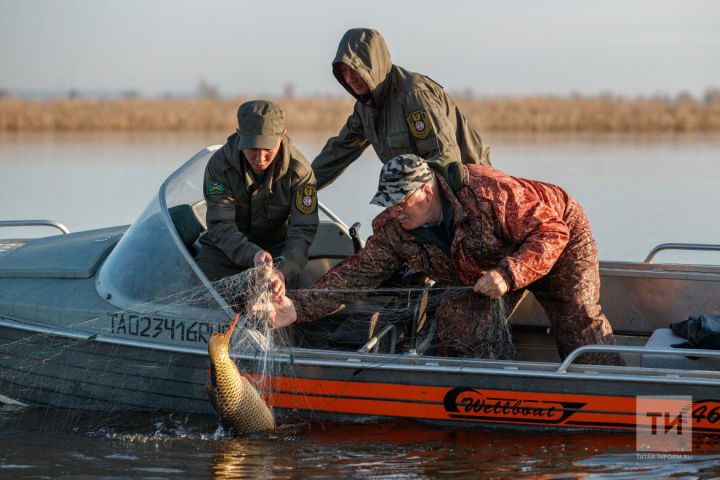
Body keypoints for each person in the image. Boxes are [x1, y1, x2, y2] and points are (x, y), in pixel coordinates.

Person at [267, 154, 623, 365]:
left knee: (576, 314)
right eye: (387, 203)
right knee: (457, 320)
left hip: (559, 233)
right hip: (486, 265)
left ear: (426, 191)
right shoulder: (396, 228)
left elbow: (552, 232)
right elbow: (356, 274)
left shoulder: (487, 194)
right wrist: (297, 308)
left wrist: (509, 273)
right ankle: (486, 399)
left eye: (401, 201)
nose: (394, 210)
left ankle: (616, 394)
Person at [312, 28, 491, 190]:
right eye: (344, 71)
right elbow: (337, 152)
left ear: (371, 66)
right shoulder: (365, 108)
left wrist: (421, 209)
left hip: (471, 186)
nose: (349, 79)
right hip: (423, 195)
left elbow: (446, 161)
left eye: (354, 70)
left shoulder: (413, 96)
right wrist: (300, 188)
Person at [194, 100, 319, 297]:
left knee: (284, 299)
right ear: (239, 134)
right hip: (226, 248)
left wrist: (282, 272)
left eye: (268, 148)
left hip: (277, 252)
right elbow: (220, 225)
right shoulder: (219, 167)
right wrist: (252, 254)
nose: (260, 158)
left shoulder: (301, 172)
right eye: (253, 148)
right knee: (203, 289)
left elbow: (302, 232)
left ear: (282, 136)